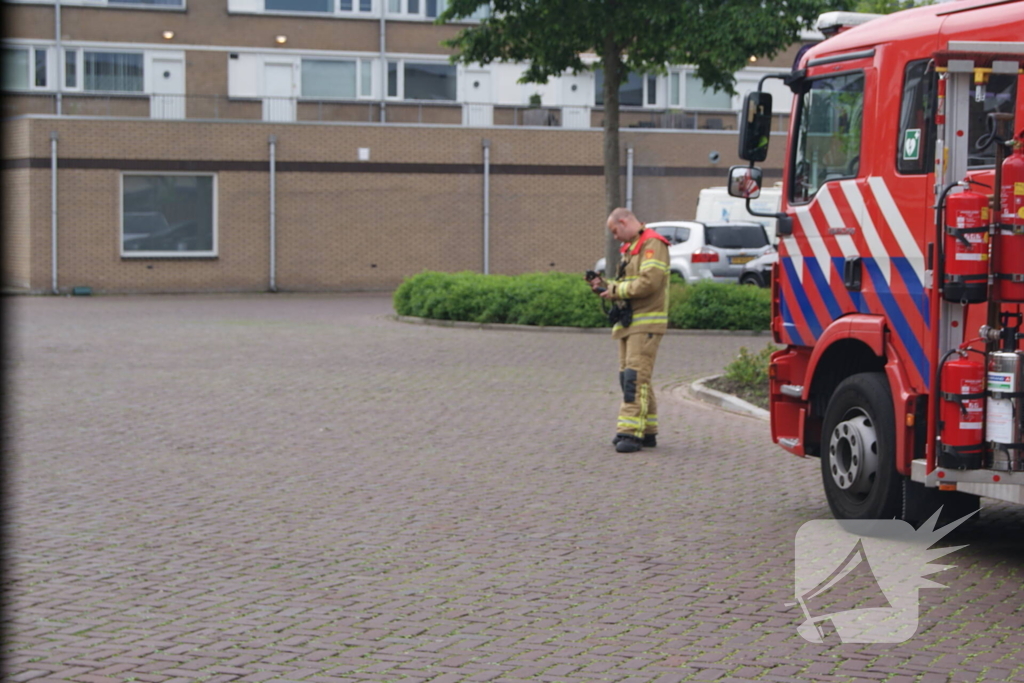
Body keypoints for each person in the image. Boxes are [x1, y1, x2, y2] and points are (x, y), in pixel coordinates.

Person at [588, 208, 671, 453]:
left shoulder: (652, 243)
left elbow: (649, 282)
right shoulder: (635, 246)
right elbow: (629, 283)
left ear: (624, 222)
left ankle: (630, 433)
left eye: (615, 231)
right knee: (632, 378)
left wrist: (615, 291)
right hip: (631, 322)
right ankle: (647, 432)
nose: (615, 237)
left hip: (645, 322)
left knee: (635, 378)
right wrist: (603, 286)